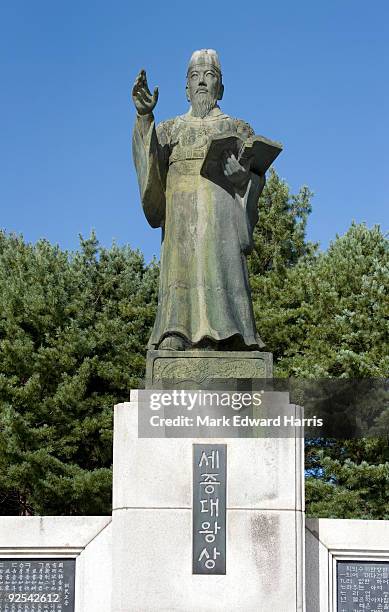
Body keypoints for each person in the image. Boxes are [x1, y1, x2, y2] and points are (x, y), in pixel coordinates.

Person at [132, 49, 265, 351]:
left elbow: (255, 179)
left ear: (221, 87)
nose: (202, 82)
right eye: (195, 77)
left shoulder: (238, 128)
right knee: (180, 275)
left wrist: (243, 180)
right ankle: (174, 332)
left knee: (223, 270)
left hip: (223, 226)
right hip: (180, 225)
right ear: (186, 89)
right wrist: (144, 118)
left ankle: (233, 334)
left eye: (210, 76)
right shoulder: (168, 130)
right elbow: (149, 169)